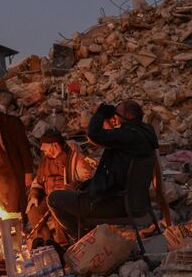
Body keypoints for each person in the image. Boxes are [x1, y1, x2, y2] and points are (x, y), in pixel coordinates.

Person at [48, 100, 159, 240]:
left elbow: (94, 134)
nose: (115, 118)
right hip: (135, 202)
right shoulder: (142, 134)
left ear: (128, 116)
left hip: (113, 203)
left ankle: (83, 240)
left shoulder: (127, 136)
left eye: (117, 115)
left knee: (54, 199)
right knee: (79, 188)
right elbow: (108, 138)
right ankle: (91, 238)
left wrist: (100, 114)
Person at [26, 129, 94, 244]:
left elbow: (86, 178)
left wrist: (72, 187)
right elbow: (38, 181)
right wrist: (34, 194)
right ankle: (47, 242)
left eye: (45, 146)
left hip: (65, 199)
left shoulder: (74, 157)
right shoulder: (45, 160)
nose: (42, 149)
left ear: (55, 145)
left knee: (57, 211)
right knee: (32, 210)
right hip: (48, 198)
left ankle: (64, 245)